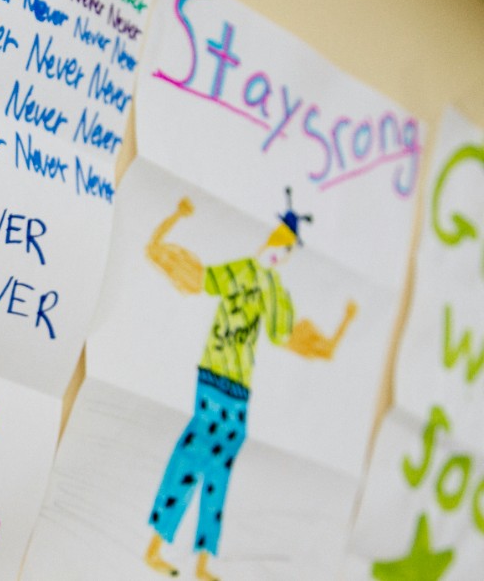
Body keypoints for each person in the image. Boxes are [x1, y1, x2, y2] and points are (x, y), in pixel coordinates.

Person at [142, 190, 357, 581]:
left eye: (285, 245)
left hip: (238, 389)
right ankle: (158, 545)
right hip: (216, 379)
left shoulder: (274, 291)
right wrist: (170, 222)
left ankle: (201, 559)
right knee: (193, 457)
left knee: (218, 468)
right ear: (268, 237)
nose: (278, 248)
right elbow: (198, 278)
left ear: (289, 252)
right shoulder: (242, 271)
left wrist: (340, 330)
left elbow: (291, 337)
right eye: (276, 238)